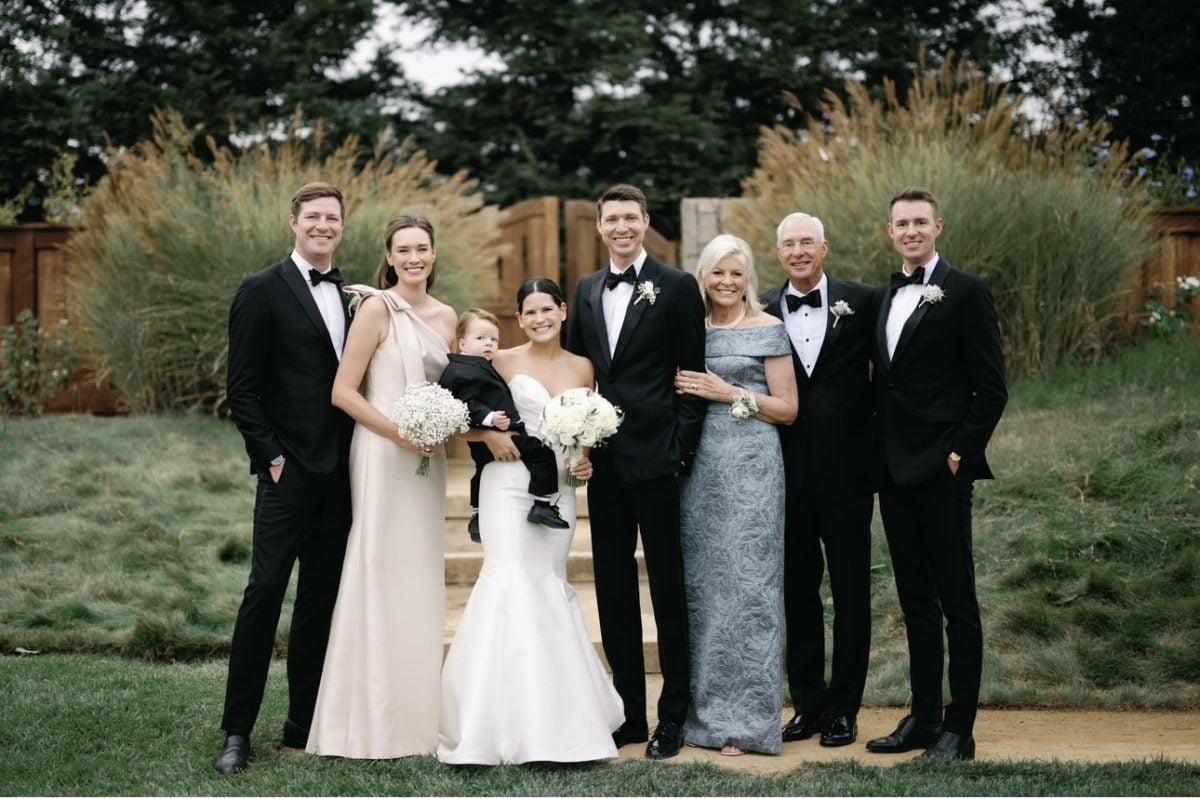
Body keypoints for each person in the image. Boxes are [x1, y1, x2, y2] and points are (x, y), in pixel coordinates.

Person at [438, 277, 624, 765]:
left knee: (546, 583)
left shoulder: (583, 366)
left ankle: (559, 721)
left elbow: (586, 431)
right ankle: (492, 723)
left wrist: (584, 460)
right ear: (518, 319)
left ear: (563, 311)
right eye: (530, 312)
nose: (540, 318)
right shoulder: (498, 359)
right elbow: (458, 412)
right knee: (510, 579)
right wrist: (485, 435)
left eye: (548, 309)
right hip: (507, 484)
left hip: (559, 488)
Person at [305, 214, 457, 759]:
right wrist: (401, 434)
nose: (414, 258)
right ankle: (368, 718)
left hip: (428, 458)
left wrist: (444, 428)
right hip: (380, 452)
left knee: (417, 572)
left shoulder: (447, 316)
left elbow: (459, 388)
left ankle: (418, 718)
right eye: (403, 250)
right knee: (377, 566)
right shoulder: (375, 307)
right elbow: (344, 392)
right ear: (389, 258)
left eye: (423, 248)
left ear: (434, 255)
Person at [565, 183, 707, 760]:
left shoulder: (676, 287)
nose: (621, 227)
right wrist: (576, 441)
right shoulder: (586, 289)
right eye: (611, 219)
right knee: (614, 589)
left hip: (659, 461)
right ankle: (628, 714)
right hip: (604, 463)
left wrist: (681, 452)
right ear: (599, 227)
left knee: (668, 587)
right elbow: (578, 374)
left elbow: (692, 376)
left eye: (631, 217)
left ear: (646, 221)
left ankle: (672, 717)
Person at [218, 182, 354, 774]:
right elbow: (242, 390)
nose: (323, 225)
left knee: (320, 601)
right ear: (293, 222)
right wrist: (271, 457)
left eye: (333, 218)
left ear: (342, 226)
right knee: (264, 593)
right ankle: (237, 732)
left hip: (343, 474)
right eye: (313, 217)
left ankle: (303, 721)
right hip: (287, 473)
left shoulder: (356, 296)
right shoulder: (260, 290)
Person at [867, 187, 1007, 761]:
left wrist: (958, 457)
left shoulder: (967, 291)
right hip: (894, 473)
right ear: (891, 232)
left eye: (920, 222)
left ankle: (960, 727)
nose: (910, 231)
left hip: (943, 473)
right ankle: (923, 717)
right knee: (915, 601)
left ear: (938, 227)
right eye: (901, 224)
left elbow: (991, 389)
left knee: (957, 603)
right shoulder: (882, 296)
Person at [675, 234, 797, 756]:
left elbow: (788, 409)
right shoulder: (687, 330)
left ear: (749, 279)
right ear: (702, 276)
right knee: (704, 590)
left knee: (751, 588)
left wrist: (729, 394)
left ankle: (750, 721)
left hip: (754, 469)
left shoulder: (769, 329)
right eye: (717, 273)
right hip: (698, 468)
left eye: (737, 274)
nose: (727, 282)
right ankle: (703, 718)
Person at [760, 213, 879, 748]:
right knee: (798, 593)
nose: (799, 251)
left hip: (849, 473)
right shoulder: (760, 309)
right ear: (778, 252)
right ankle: (807, 705)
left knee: (852, 592)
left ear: (824, 247)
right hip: (785, 474)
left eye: (807, 241)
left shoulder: (865, 301)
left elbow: (891, 378)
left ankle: (843, 710)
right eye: (790, 244)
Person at [439, 308, 570, 544]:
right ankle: (542, 504)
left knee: (480, 470)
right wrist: (489, 419)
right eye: (480, 338)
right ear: (462, 344)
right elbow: (466, 403)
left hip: (487, 438)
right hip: (501, 433)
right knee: (542, 454)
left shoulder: (473, 366)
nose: (488, 344)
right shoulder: (467, 370)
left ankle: (477, 516)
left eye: (493, 339)